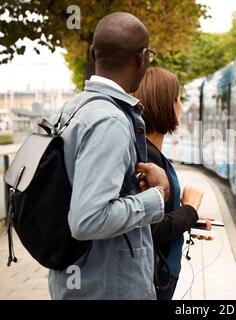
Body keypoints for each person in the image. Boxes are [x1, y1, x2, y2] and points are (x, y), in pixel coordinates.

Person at [48, 12, 170, 300]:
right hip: (107, 288)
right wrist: (157, 194)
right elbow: (87, 219)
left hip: (81, 281)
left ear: (93, 53)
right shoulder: (109, 121)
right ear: (142, 57)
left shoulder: (75, 108)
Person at [133, 67, 213, 300]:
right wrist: (189, 210)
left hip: (156, 274)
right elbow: (151, 230)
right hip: (153, 279)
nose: (180, 104)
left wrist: (190, 220)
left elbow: (155, 216)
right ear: (167, 104)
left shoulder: (148, 153)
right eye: (178, 98)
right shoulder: (147, 160)